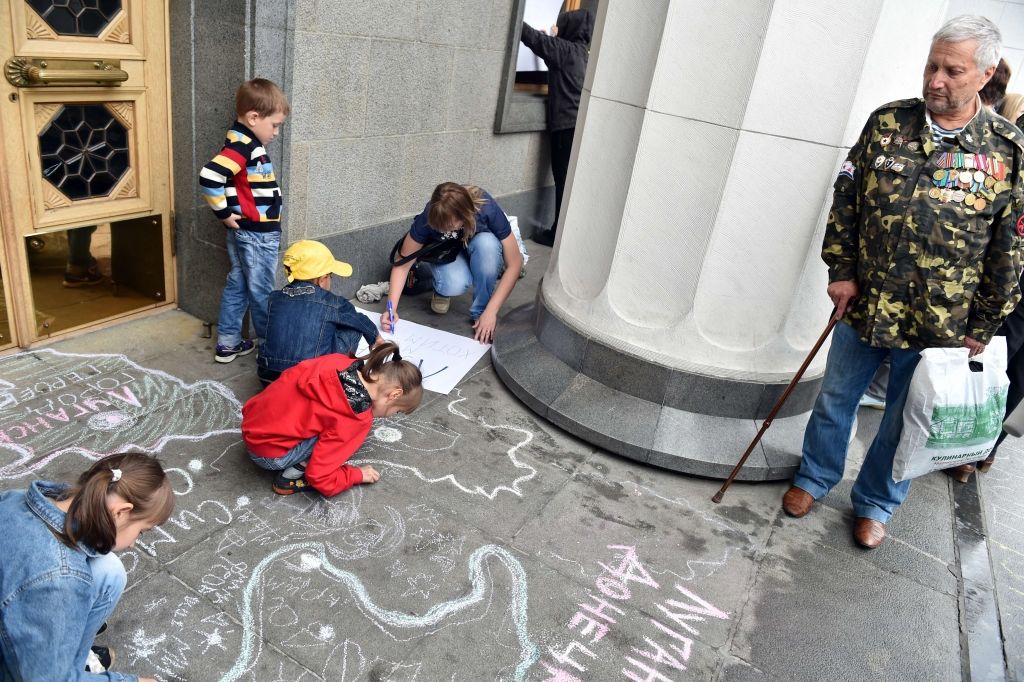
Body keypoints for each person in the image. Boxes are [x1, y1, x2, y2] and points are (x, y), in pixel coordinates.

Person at [782, 15, 1024, 549]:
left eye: (952, 70)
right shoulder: (889, 122)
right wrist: (841, 272)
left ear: (984, 75)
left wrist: (984, 323)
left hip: (942, 320)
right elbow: (846, 199)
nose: (936, 80)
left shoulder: (1006, 152)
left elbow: (1010, 248)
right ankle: (814, 478)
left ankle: (875, 504)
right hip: (866, 302)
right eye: (931, 65)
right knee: (836, 398)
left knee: (906, 417)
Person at [0, 453, 173, 681]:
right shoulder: (60, 580)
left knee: (109, 571)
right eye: (141, 531)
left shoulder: (15, 498)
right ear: (121, 512)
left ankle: (71, 661)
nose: (133, 543)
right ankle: (71, 667)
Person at [242, 341, 423, 496]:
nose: (392, 416)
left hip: (253, 423)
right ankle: (291, 475)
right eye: (397, 411)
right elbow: (319, 476)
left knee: (320, 418)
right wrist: (355, 475)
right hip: (269, 455)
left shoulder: (339, 361)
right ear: (394, 395)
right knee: (335, 441)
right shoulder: (356, 416)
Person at [200, 78, 289, 364]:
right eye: (274, 125)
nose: (276, 133)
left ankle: (228, 342)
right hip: (257, 235)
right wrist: (224, 213)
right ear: (253, 117)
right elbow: (210, 176)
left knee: (238, 284)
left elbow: (232, 181)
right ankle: (268, 346)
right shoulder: (244, 146)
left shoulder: (242, 140)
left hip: (249, 233)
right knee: (262, 291)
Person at [383, 182, 524, 344]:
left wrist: (491, 312)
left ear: (465, 214)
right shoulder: (429, 216)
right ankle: (441, 287)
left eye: (448, 225)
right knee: (454, 283)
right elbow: (402, 264)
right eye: (439, 226)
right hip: (448, 253)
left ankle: (482, 311)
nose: (444, 229)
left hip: (479, 247)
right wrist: (391, 308)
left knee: (488, 245)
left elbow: (515, 264)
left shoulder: (486, 208)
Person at [257, 240, 383, 386]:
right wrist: (376, 337)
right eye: (330, 276)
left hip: (269, 378)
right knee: (354, 325)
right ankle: (339, 374)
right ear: (322, 280)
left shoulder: (274, 298)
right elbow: (359, 320)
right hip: (309, 382)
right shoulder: (332, 302)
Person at [519, 9, 595, 247]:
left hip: (565, 128)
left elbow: (533, 38)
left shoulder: (566, 51)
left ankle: (556, 234)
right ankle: (566, 232)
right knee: (568, 182)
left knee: (562, 181)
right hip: (577, 126)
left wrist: (511, 14)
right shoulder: (583, 53)